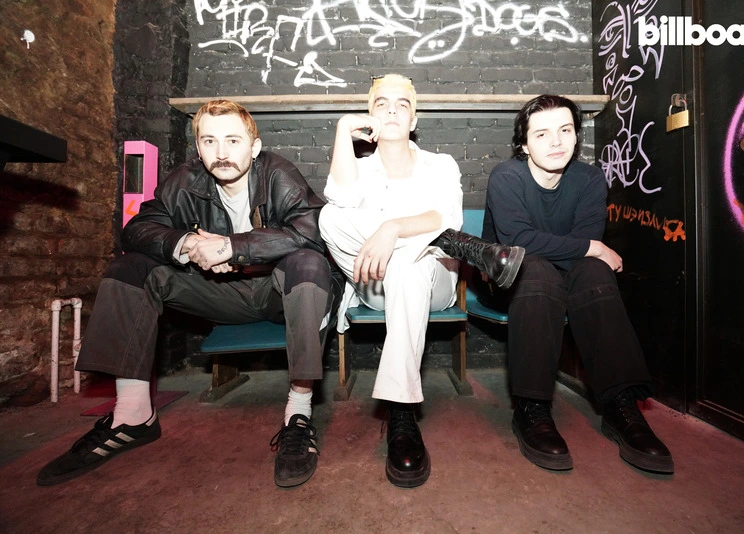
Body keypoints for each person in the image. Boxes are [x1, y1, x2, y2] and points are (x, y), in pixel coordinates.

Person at [37, 100, 342, 489]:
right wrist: (187, 244)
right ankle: (132, 415)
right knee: (131, 268)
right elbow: (137, 229)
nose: (222, 152)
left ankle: (298, 414)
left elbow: (312, 232)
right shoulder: (184, 180)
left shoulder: (278, 174)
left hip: (279, 293)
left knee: (309, 263)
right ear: (198, 148)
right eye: (210, 141)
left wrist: (233, 246)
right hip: (219, 293)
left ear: (254, 146)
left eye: (233, 140)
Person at [319, 74, 524, 488]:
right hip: (375, 283)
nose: (392, 110)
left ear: (414, 120)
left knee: (411, 264)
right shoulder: (359, 168)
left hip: (435, 282)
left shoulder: (440, 163)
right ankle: (472, 250)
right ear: (369, 117)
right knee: (330, 216)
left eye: (402, 104)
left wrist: (392, 228)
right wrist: (342, 128)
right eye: (381, 104)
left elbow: (444, 216)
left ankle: (400, 411)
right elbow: (340, 202)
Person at [481, 94, 673, 474]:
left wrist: (589, 250)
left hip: (567, 276)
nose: (556, 142)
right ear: (524, 144)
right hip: (510, 280)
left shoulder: (589, 179)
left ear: (576, 136)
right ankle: (532, 408)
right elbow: (519, 241)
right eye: (542, 134)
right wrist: (592, 248)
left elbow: (585, 248)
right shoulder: (506, 177)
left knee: (596, 272)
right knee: (537, 269)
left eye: (565, 130)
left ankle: (620, 406)